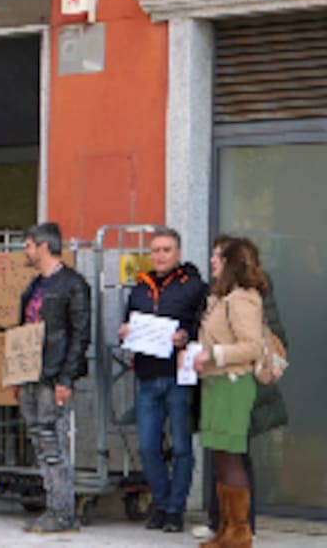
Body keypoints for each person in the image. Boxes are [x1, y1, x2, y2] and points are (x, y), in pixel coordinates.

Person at [195, 236, 287, 540]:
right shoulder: (222, 297)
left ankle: (239, 533)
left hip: (233, 383)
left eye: (219, 258)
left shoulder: (243, 298)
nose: (213, 261)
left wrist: (213, 354)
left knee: (232, 458)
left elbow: (251, 346)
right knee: (221, 459)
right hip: (217, 382)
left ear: (230, 264)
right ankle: (225, 530)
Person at [116, 227, 206, 533]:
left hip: (179, 378)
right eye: (155, 250)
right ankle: (163, 504)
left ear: (178, 253)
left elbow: (205, 327)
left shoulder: (194, 287)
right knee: (147, 447)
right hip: (147, 377)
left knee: (181, 448)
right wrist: (125, 333)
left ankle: (175, 510)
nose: (160, 256)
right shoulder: (139, 289)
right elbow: (128, 324)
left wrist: (186, 336)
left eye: (166, 250)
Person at [13, 222, 90, 533]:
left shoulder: (72, 284)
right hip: (31, 373)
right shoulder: (35, 285)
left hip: (52, 373)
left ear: (43, 247)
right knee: (40, 439)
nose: (26, 251)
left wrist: (65, 378)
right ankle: (54, 507)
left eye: (29, 246)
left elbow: (80, 335)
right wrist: (17, 376)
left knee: (51, 441)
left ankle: (62, 512)